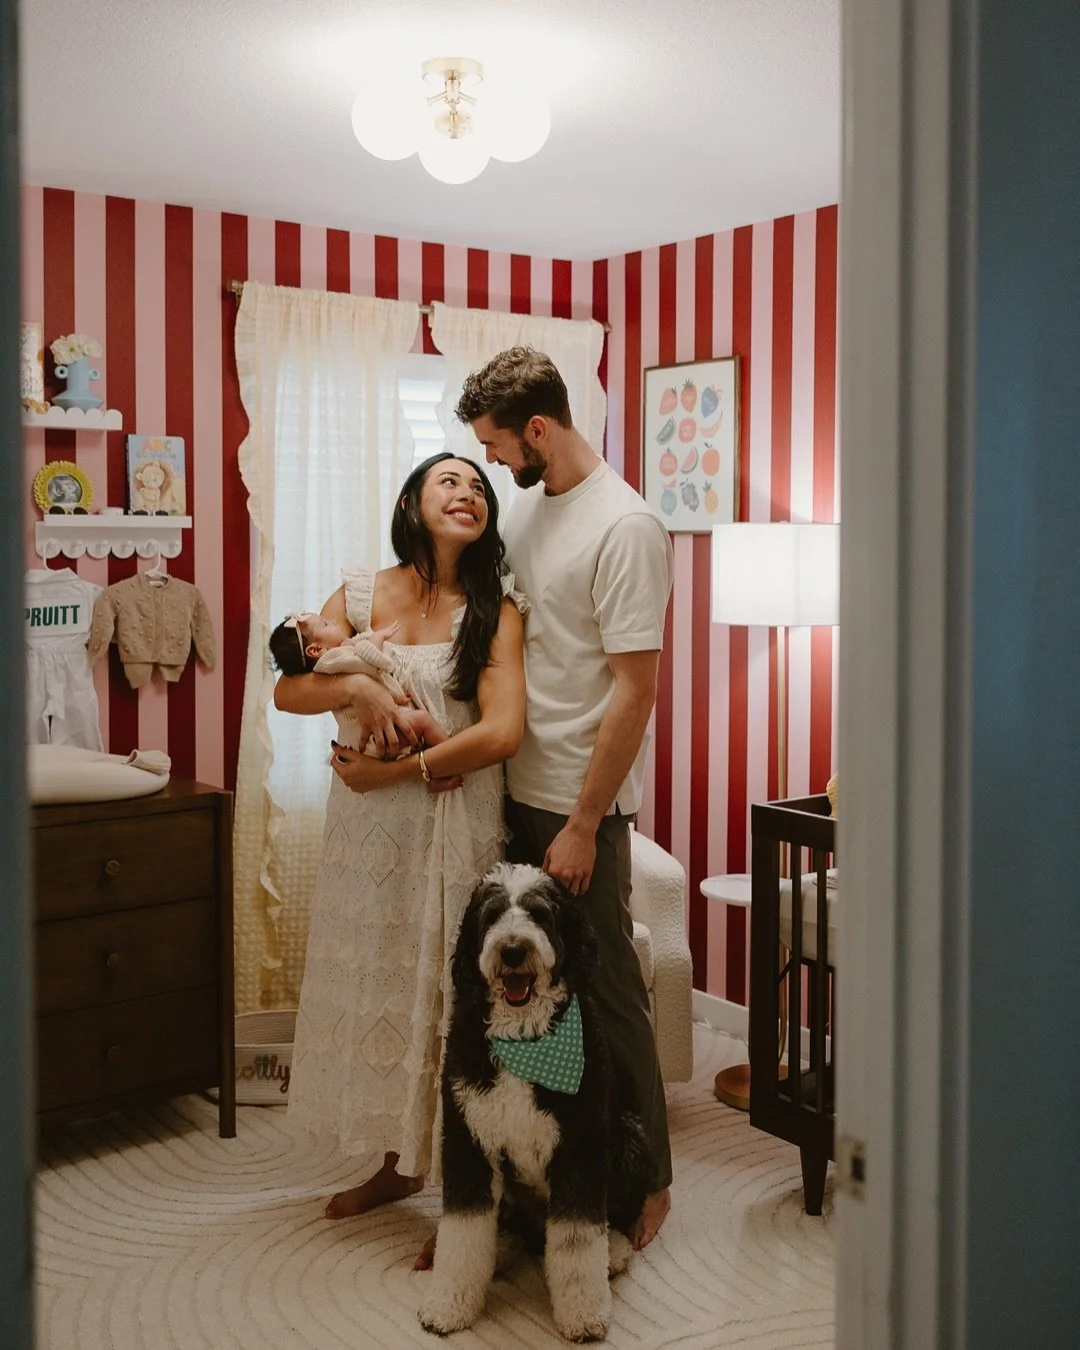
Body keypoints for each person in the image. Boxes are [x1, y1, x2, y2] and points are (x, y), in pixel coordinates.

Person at [272, 452, 526, 1266]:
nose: (469, 493)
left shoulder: (497, 607)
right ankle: (393, 1165)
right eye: (450, 480)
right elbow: (290, 689)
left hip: (452, 819)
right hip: (371, 835)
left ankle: (465, 1194)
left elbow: (502, 731)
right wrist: (360, 692)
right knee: (385, 977)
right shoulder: (358, 594)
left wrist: (397, 768)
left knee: (452, 999)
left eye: (481, 487)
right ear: (413, 500)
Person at [455, 346, 675, 1251]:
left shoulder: (625, 528)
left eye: (500, 444)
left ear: (539, 428)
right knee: (527, 997)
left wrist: (585, 823)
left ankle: (652, 1182)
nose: (495, 462)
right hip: (513, 786)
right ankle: (540, 1172)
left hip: (579, 805)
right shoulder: (527, 512)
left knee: (611, 992)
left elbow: (634, 688)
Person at [267, 611, 447, 759]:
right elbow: (368, 663)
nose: (332, 619)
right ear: (316, 650)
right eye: (325, 624)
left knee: (420, 743)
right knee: (424, 721)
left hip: (377, 733)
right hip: (377, 735)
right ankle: (447, 766)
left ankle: (436, 774)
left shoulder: (332, 662)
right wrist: (378, 637)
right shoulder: (331, 660)